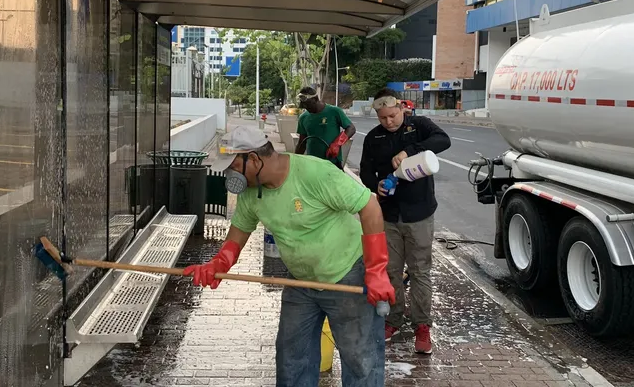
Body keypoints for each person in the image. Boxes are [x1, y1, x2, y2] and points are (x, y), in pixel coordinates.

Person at [184, 126, 395, 387]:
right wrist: (218, 263)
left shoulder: (314, 172)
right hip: (301, 283)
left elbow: (370, 206)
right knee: (292, 359)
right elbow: (237, 236)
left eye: (234, 166)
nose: (230, 175)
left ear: (255, 159)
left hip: (347, 274)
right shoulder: (252, 193)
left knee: (360, 361)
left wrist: (376, 271)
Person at [359, 88, 451, 355]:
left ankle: (422, 326)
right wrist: (374, 186)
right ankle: (394, 319)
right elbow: (365, 169)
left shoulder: (418, 126)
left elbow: (443, 140)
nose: (389, 122)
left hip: (419, 213)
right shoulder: (374, 137)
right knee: (391, 271)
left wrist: (410, 150)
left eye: (392, 115)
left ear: (401, 107)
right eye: (382, 118)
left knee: (420, 271)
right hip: (388, 215)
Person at [294, 86, 356, 169]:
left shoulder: (334, 111)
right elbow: (302, 143)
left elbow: (351, 128)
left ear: (315, 99)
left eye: (308, 105)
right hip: (313, 163)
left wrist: (337, 144)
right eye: (304, 106)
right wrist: (294, 161)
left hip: (332, 162)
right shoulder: (303, 118)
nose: (307, 108)